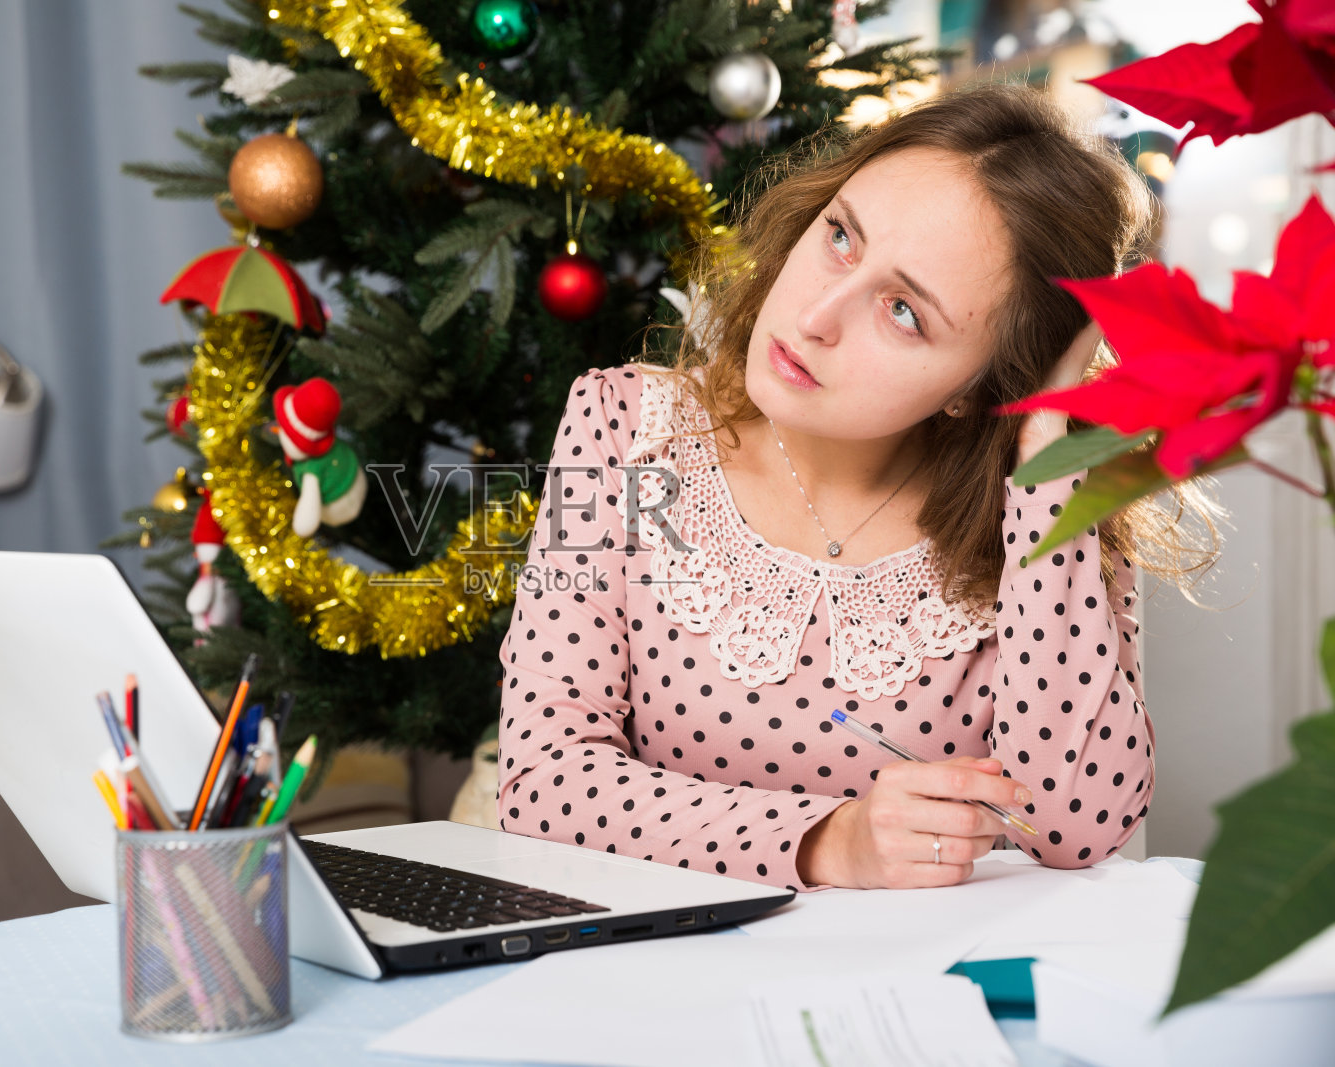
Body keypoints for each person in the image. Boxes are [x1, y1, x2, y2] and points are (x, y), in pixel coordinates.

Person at [495, 82, 1218, 892]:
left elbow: (1077, 827)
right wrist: (827, 842)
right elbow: (542, 782)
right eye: (840, 235)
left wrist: (1046, 451)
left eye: (904, 311)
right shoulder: (622, 426)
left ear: (977, 387)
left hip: (921, 992)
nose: (815, 316)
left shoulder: (1043, 508)